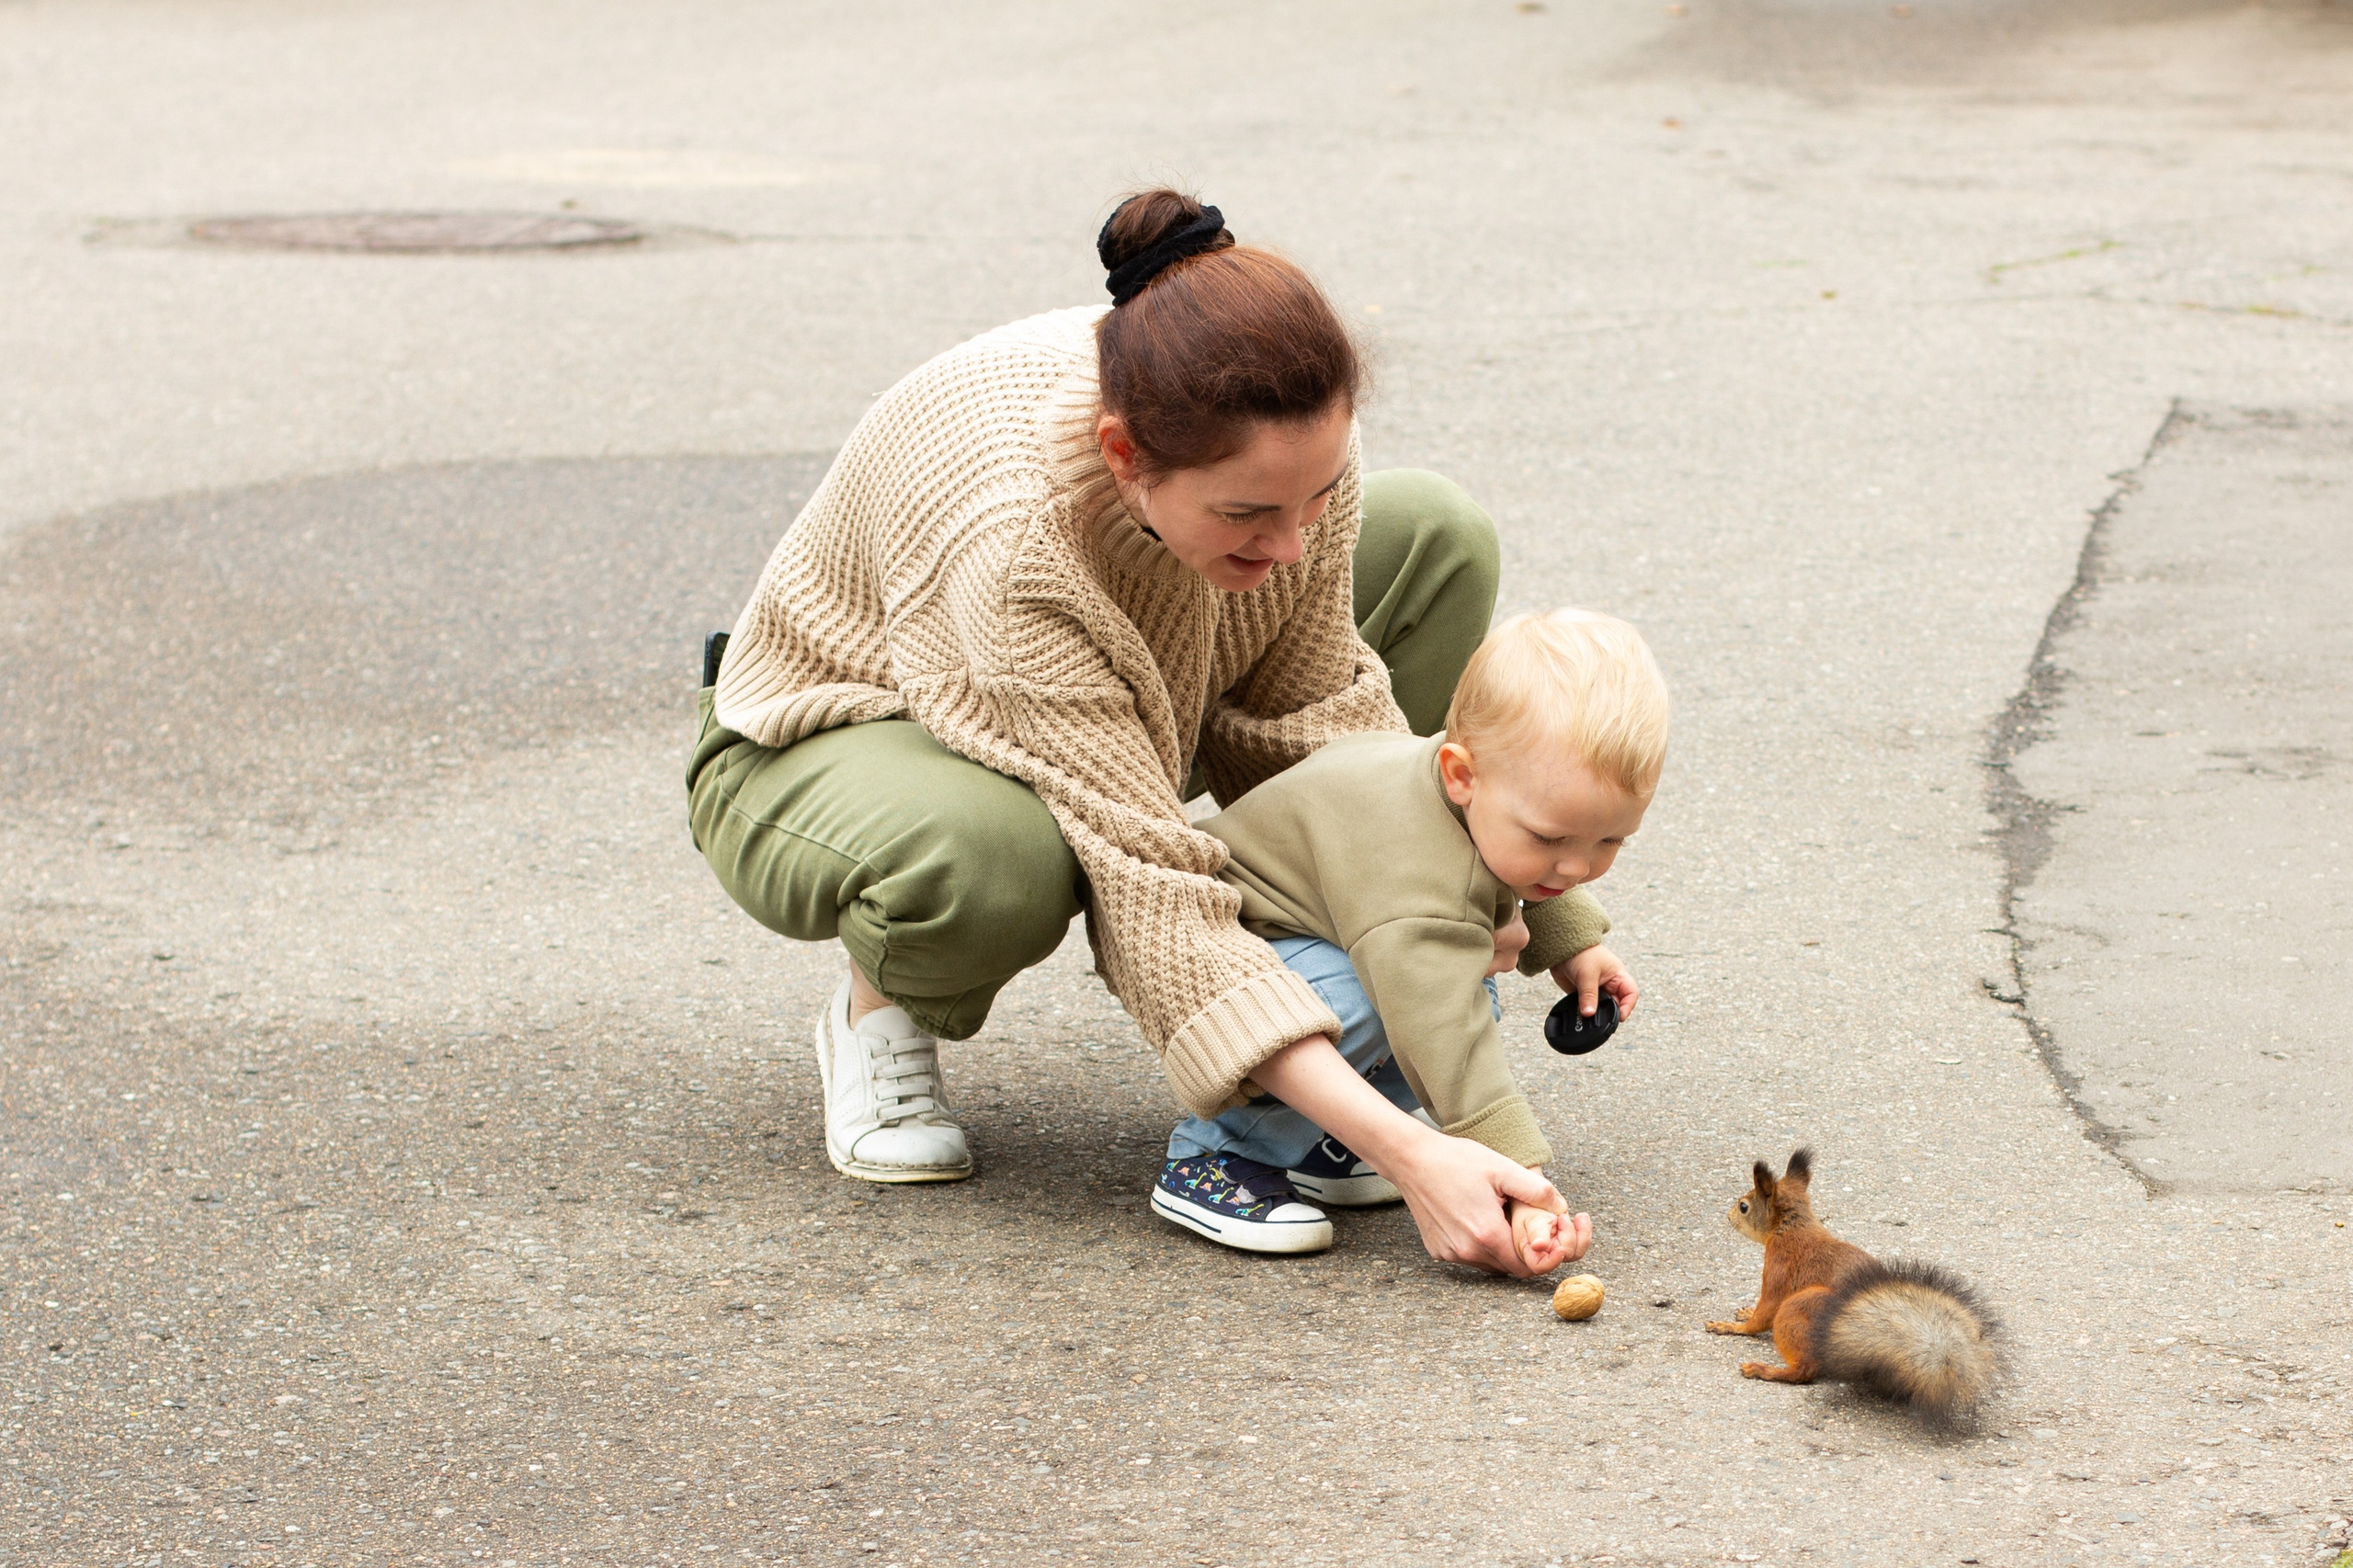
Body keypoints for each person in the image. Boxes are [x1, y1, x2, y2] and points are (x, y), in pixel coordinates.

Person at [690, 187, 1574, 1276]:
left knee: (1436, 532)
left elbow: (1320, 722)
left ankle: (1331, 1051)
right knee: (1002, 857)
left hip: (1150, 681)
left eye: (1315, 495)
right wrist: (1422, 1150)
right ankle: (880, 1009)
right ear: (1122, 454)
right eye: (1250, 514)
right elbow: (1146, 881)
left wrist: (1497, 900)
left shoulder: (1277, 455)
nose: (1292, 545)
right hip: (840, 734)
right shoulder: (1018, 544)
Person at [1154, 610, 1665, 1262]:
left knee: (1454, 978)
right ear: (1462, 775)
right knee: (1398, 1002)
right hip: (1224, 958)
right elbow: (1442, 1035)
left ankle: (1322, 1140)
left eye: (1610, 839)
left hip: (1324, 928)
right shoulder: (1418, 880)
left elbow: (1522, 871)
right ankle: (1215, 1154)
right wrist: (1519, 1176)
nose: (1576, 866)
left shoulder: (1474, 789)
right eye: (1550, 839)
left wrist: (1571, 941)